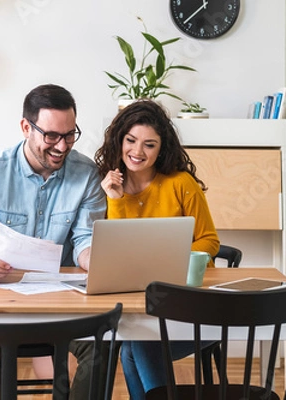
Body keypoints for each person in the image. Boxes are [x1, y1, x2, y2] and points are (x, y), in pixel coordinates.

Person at [0, 84, 109, 399]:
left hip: (63, 304)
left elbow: (87, 239)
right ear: (26, 127)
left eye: (70, 135)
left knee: (105, 346)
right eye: (51, 136)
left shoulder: (87, 173)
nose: (62, 146)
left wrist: (95, 260)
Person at [94, 99, 220, 399]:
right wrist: (115, 198)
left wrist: (172, 261)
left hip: (188, 304)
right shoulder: (109, 186)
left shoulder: (180, 183)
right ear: (119, 140)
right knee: (134, 346)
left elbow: (209, 240)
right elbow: (118, 250)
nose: (138, 152)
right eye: (131, 141)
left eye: (149, 145)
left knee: (139, 344)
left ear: (161, 148)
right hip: (142, 305)